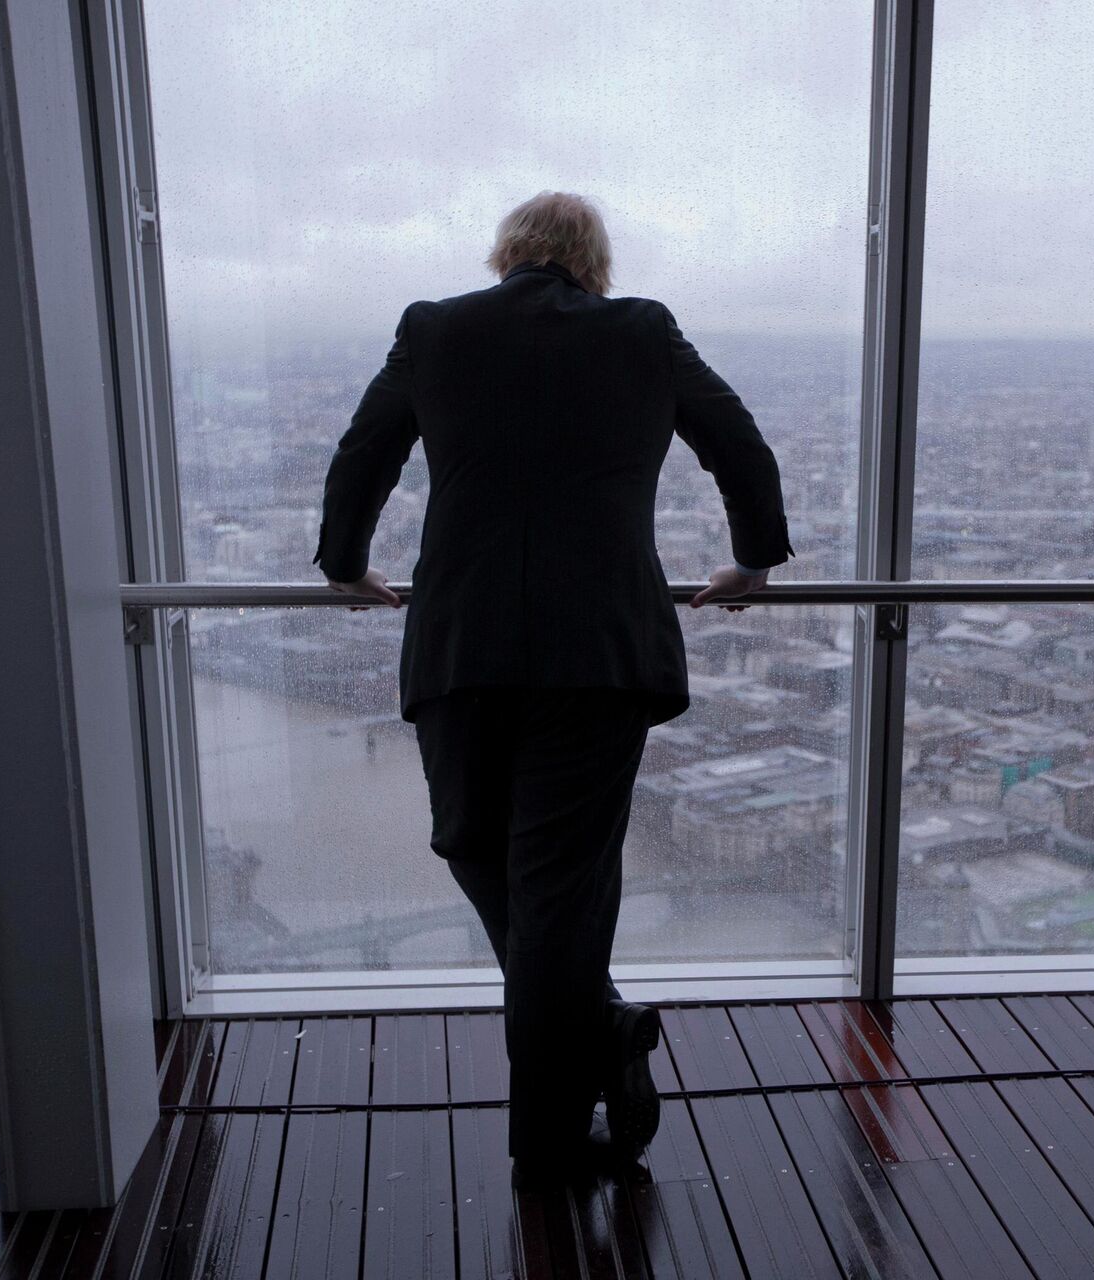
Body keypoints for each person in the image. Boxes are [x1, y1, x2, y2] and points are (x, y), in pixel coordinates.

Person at [313, 191, 792, 1188]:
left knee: (473, 844)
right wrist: (751, 560)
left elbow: (365, 452)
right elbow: (738, 445)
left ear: (508, 254)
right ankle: (602, 1022)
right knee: (558, 891)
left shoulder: (436, 329)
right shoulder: (642, 331)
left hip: (461, 640)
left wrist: (343, 563)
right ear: (593, 262)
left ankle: (546, 1136)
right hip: (602, 653)